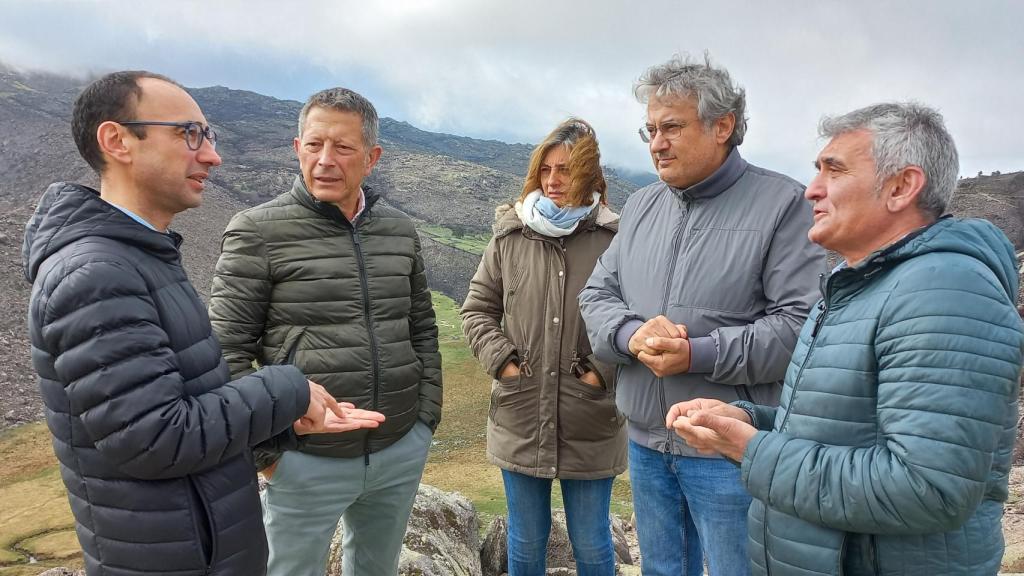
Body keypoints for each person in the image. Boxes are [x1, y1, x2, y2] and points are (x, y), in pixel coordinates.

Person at [22, 71, 382, 576]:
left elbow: (184, 401)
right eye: (189, 134)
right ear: (117, 140)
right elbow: (155, 436)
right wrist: (289, 390)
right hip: (174, 555)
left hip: (196, 543)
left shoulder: (140, 257)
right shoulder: (95, 275)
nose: (211, 155)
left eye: (207, 136)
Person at [668, 102, 1024, 576]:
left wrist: (752, 449)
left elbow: (928, 488)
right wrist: (750, 419)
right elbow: (843, 429)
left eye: (833, 171)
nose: (811, 190)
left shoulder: (947, 292)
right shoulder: (854, 287)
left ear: (901, 187)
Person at [578, 54, 825, 576]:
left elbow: (800, 326)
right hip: (646, 442)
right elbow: (596, 294)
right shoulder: (643, 205)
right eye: (649, 129)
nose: (656, 143)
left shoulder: (783, 204)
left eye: (671, 127)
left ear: (723, 126)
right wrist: (631, 334)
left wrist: (696, 354)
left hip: (727, 448)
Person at [208, 86, 442, 576]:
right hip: (304, 459)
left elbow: (420, 326)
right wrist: (268, 456)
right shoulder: (256, 231)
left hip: (398, 446)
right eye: (313, 145)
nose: (325, 160)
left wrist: (424, 420)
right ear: (297, 149)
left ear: (372, 157)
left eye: (343, 147)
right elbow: (225, 353)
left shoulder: (399, 230)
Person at [461, 118, 626, 575]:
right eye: (546, 170)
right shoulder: (510, 235)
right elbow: (476, 309)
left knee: (592, 542)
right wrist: (504, 362)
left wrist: (600, 372)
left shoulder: (615, 241)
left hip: (591, 415)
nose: (553, 181)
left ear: (590, 176)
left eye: (566, 171)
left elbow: (634, 320)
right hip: (520, 411)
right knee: (525, 541)